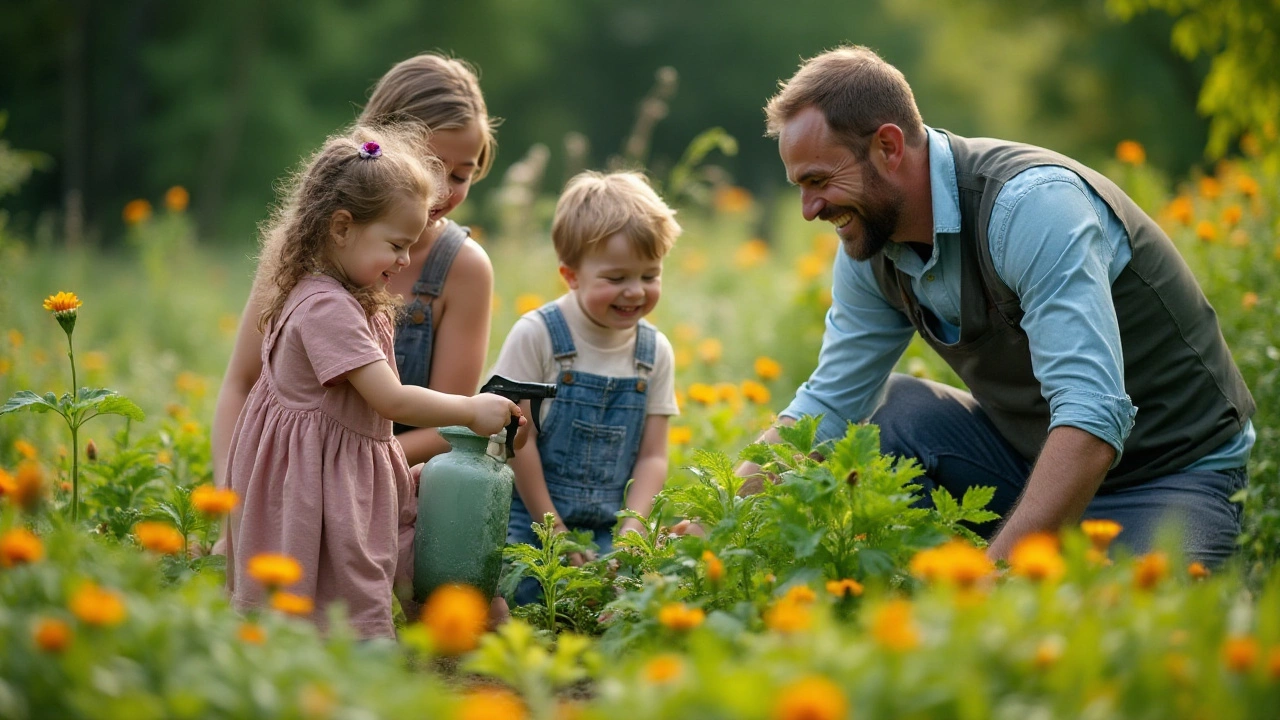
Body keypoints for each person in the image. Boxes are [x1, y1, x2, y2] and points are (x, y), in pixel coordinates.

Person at [744, 45, 1254, 565]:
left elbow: (1092, 419)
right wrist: (713, 522)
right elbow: (831, 404)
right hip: (1033, 464)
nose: (809, 209)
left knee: (1131, 628)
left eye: (820, 181)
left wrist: (988, 584)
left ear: (889, 147)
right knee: (894, 413)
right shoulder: (870, 244)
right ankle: (913, 593)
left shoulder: (1030, 208)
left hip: (1167, 472)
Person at [224, 124, 522, 639]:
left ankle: (404, 622)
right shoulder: (326, 308)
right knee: (340, 586)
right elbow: (388, 398)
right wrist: (470, 410)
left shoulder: (347, 292)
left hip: (342, 464)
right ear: (341, 227)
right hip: (319, 476)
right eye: (396, 244)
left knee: (368, 567)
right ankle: (358, 651)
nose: (406, 260)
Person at [213, 52, 499, 490]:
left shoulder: (463, 268)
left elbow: (448, 426)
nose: (443, 189)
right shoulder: (301, 247)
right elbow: (241, 383)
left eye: (462, 175)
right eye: (431, 166)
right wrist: (230, 508)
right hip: (276, 483)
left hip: (384, 489)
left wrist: (337, 468)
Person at [490, 171, 681, 602]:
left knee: (637, 597)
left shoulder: (654, 353)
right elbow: (519, 443)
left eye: (650, 276)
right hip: (531, 515)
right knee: (521, 592)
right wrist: (554, 531)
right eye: (616, 278)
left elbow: (653, 455)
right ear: (570, 275)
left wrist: (633, 532)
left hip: (611, 525)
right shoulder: (538, 335)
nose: (634, 292)